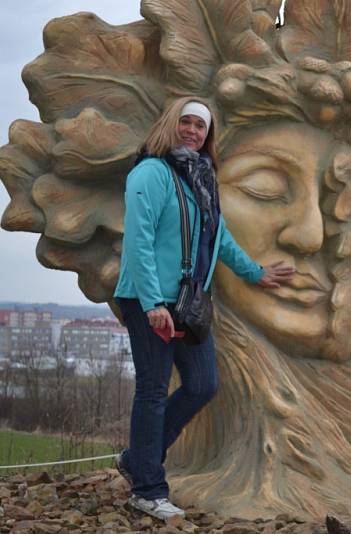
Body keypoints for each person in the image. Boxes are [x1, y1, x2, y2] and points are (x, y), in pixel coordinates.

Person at [112, 97, 295, 520]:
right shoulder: (150, 173)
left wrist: (256, 273)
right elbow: (137, 241)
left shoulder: (202, 179)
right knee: (154, 390)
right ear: (171, 124)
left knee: (202, 383)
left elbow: (219, 237)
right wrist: (152, 302)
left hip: (188, 303)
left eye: (201, 127)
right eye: (187, 122)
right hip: (149, 299)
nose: (193, 131)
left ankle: (139, 459)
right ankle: (148, 489)